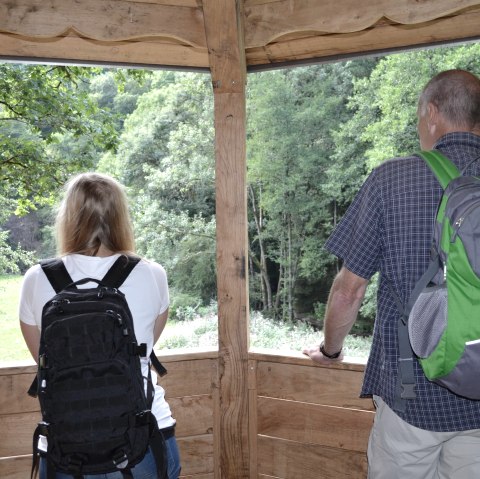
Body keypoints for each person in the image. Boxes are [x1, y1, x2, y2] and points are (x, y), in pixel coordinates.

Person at [303, 69, 480, 478]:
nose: (420, 125)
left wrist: (330, 351)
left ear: (432, 114)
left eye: (420, 116)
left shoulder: (393, 178)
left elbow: (350, 290)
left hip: (412, 393)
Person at [19, 172, 181, 479]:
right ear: (121, 216)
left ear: (67, 217)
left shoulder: (36, 279)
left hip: (69, 445)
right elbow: (143, 352)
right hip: (145, 438)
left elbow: (44, 360)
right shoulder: (152, 274)